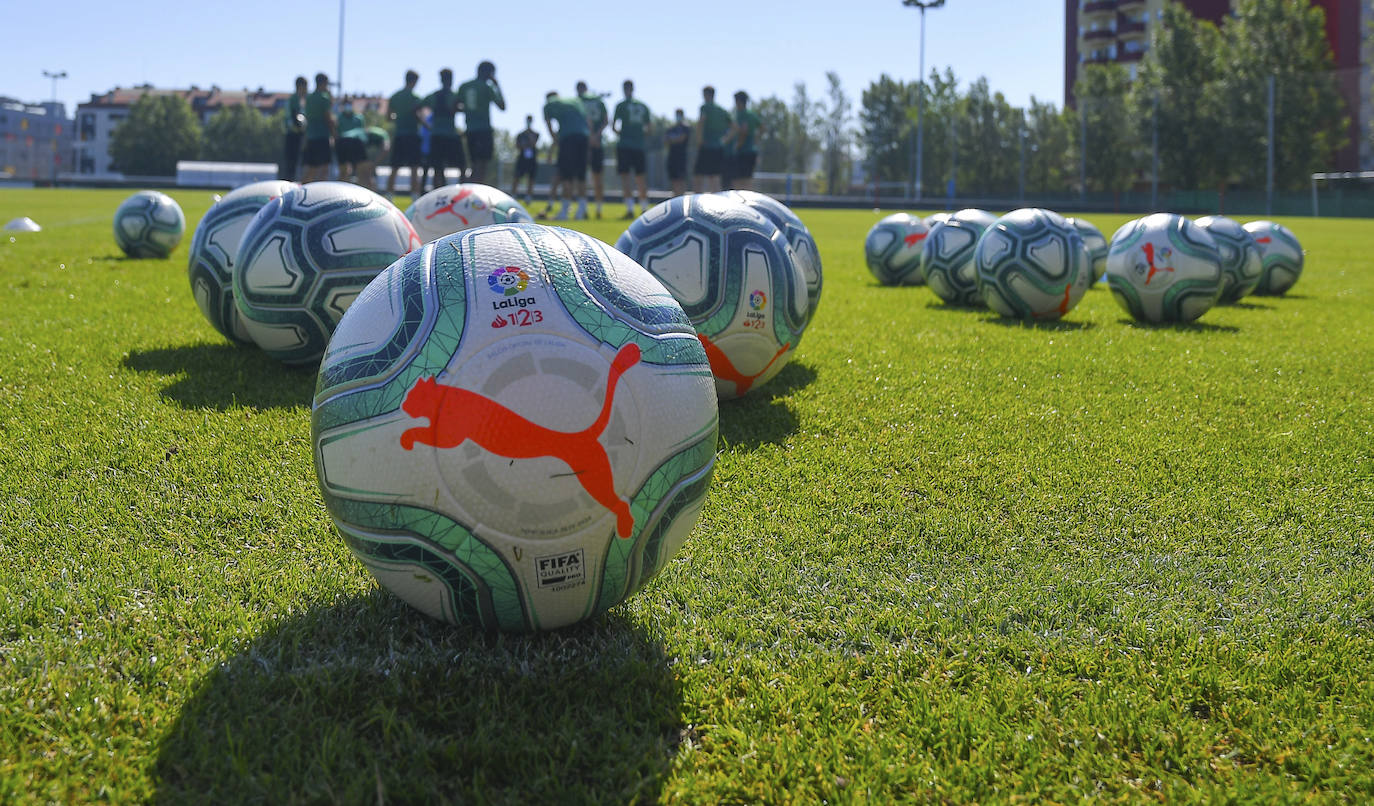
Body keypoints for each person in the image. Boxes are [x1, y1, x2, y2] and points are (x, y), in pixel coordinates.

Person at [542, 90, 590, 220]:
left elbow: (549, 125)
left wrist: (555, 140)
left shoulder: (549, 104)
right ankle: (581, 210)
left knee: (566, 176)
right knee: (581, 175)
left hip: (568, 139)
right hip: (583, 137)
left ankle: (564, 211)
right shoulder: (575, 101)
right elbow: (587, 121)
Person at [458, 61, 506, 183]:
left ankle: (469, 188)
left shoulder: (465, 86)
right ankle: (475, 191)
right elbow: (502, 106)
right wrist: (497, 85)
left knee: (474, 163)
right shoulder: (487, 87)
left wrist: (469, 110)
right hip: (483, 130)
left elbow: (455, 106)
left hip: (470, 130)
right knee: (482, 164)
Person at [612, 80, 652, 218]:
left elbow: (614, 126)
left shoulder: (621, 106)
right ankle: (644, 208)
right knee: (640, 178)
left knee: (627, 178)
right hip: (638, 145)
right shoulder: (643, 106)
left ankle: (631, 209)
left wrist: (624, 135)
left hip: (625, 145)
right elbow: (649, 128)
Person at [423, 68, 466, 190]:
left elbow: (416, 108)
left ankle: (440, 193)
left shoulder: (433, 96)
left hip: (437, 135)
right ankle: (461, 192)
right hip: (450, 135)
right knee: (461, 166)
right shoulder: (454, 96)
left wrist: (426, 125)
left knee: (438, 168)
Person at [385, 70, 423, 197]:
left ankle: (389, 197)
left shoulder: (395, 96)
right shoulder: (416, 98)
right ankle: (415, 198)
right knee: (414, 169)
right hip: (412, 135)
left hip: (399, 136)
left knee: (394, 168)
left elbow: (388, 117)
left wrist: (399, 117)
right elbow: (419, 116)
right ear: (415, 81)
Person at [577, 81, 608, 218]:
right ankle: (592, 208)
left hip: (588, 143)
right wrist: (596, 136)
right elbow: (606, 121)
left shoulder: (578, 102)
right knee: (591, 177)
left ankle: (595, 208)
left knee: (589, 178)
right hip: (591, 142)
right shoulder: (597, 101)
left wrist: (593, 136)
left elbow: (605, 120)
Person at [694, 85, 732, 193]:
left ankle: (696, 204)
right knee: (715, 177)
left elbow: (701, 123)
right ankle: (717, 203)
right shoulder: (722, 110)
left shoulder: (705, 107)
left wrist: (699, 140)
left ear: (706, 94)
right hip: (718, 147)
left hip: (706, 146)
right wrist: (724, 140)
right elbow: (734, 127)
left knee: (698, 176)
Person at [724, 91, 762, 190]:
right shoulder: (752, 115)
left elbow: (744, 131)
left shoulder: (742, 114)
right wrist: (755, 141)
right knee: (747, 180)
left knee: (738, 181)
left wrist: (738, 145)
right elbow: (762, 128)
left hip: (743, 152)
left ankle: (741, 204)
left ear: (739, 102)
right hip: (751, 151)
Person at [301, 73, 335, 183]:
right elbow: (328, 117)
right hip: (322, 136)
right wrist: (334, 134)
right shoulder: (324, 98)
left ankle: (302, 191)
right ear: (324, 83)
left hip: (310, 136)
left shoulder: (309, 98)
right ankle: (321, 192)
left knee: (311, 169)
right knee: (324, 168)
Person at [280, 76, 307, 181]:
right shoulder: (295, 99)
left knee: (295, 164)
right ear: (300, 86)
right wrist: (302, 128)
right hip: (293, 135)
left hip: (296, 134)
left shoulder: (299, 99)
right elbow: (295, 117)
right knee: (291, 163)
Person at [335, 99, 367, 183]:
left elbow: (362, 132)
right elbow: (336, 133)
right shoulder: (339, 118)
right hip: (343, 144)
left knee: (361, 172)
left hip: (357, 144)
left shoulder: (359, 118)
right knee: (344, 172)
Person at [513, 115, 539, 205]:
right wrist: (523, 146)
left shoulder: (535, 134)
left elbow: (533, 143)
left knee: (531, 179)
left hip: (531, 159)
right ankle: (514, 196)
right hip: (522, 159)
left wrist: (529, 136)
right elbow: (517, 145)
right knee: (517, 177)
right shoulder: (520, 134)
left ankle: (528, 197)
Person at [665, 108, 691, 197]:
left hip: (681, 157)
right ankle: (675, 197)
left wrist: (672, 139)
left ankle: (681, 197)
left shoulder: (685, 127)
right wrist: (674, 140)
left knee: (681, 179)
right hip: (672, 157)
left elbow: (681, 139)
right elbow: (666, 141)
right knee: (674, 180)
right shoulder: (671, 128)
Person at [360, 125, 390, 190]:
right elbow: (386, 148)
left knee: (366, 173)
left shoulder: (381, 135)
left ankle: (370, 191)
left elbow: (385, 148)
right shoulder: (382, 134)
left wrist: (374, 163)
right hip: (364, 142)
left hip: (364, 142)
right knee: (366, 173)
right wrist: (375, 163)